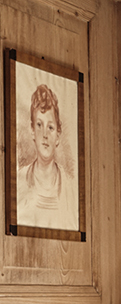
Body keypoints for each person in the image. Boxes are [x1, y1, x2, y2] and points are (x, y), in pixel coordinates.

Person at [17, 82, 75, 228]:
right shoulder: (19, 181)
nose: (45, 135)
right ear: (32, 131)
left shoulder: (69, 188)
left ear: (58, 135)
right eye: (39, 125)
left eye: (50, 127)